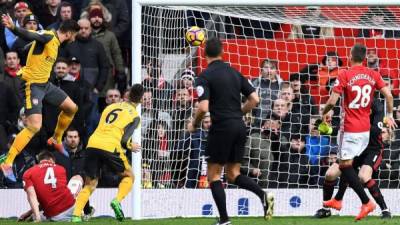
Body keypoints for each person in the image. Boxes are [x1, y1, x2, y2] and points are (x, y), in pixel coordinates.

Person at [188, 38, 274, 225]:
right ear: (222, 52)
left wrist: (194, 124)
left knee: (213, 176)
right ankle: (263, 195)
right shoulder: (235, 73)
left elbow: (203, 108)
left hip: (221, 128)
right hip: (239, 127)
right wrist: (239, 113)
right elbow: (255, 99)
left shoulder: (204, 76)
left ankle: (224, 220)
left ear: (205, 54)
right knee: (233, 174)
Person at [319, 43, 396, 220]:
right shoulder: (373, 74)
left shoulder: (344, 74)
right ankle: (334, 202)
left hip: (353, 131)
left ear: (350, 56)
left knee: (347, 167)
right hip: (363, 133)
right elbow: (390, 96)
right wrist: (390, 114)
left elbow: (332, 100)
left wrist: (323, 114)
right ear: (365, 59)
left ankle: (368, 203)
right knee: (336, 171)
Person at [0, 14, 80, 181]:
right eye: (75, 35)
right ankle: (7, 162)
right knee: (35, 126)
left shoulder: (56, 43)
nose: (75, 38)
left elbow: (30, 45)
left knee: (71, 108)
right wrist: (13, 28)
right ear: (71, 32)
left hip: (45, 84)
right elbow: (33, 35)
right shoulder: (49, 36)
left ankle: (56, 138)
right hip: (33, 85)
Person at [71, 84, 144, 222]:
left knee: (90, 183)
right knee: (129, 176)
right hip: (111, 146)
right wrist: (130, 145)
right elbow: (123, 140)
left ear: (126, 96)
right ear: (140, 100)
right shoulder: (135, 116)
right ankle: (117, 201)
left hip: (93, 143)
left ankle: (75, 215)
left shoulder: (110, 107)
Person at [315, 95, 392, 219]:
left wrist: (357, 124)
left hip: (372, 149)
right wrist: (328, 130)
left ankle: (385, 210)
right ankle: (325, 209)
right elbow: (342, 127)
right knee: (330, 174)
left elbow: (376, 131)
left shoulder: (377, 105)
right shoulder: (351, 106)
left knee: (363, 176)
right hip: (355, 147)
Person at [19, 151, 82, 222]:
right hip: (73, 209)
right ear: (51, 160)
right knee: (77, 177)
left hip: (56, 216)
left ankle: (35, 216)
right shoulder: (61, 168)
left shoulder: (28, 173)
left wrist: (36, 217)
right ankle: (81, 210)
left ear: (39, 160)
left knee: (34, 216)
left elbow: (32, 196)